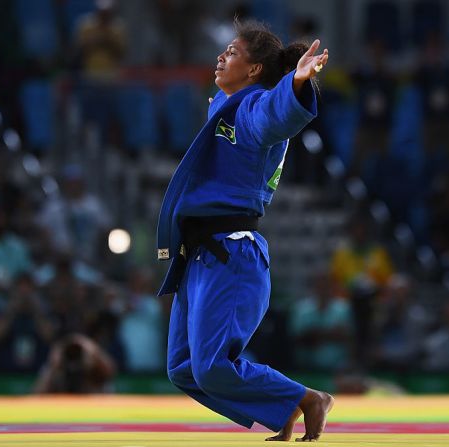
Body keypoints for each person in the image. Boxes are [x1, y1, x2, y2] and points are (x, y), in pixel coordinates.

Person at [156, 20, 332, 442]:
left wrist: (295, 85)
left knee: (213, 365)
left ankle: (306, 398)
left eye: (232, 52)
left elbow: (273, 118)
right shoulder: (225, 107)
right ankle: (281, 409)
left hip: (230, 253)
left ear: (254, 71)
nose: (221, 56)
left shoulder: (254, 108)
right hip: (200, 255)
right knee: (183, 367)